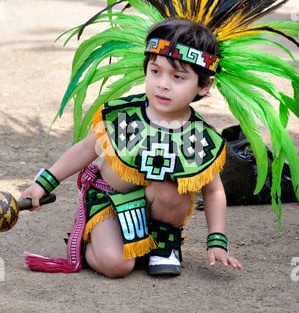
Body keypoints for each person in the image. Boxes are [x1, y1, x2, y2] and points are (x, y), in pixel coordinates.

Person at [21, 17, 243, 278]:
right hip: (110, 203)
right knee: (117, 266)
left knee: (174, 187)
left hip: (157, 205)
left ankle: (163, 244)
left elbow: (213, 191)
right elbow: (84, 150)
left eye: (178, 76)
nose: (163, 83)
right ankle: (94, 243)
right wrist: (43, 183)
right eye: (155, 71)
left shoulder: (198, 137)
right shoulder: (123, 117)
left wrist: (217, 241)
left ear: (204, 85)